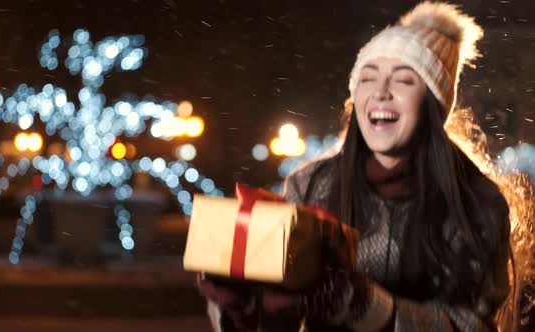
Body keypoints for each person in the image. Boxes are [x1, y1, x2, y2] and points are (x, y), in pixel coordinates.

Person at [197, 2, 513, 331]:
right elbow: (283, 315)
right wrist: (243, 308)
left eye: (403, 81)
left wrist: (361, 302)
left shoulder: (478, 203)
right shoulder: (309, 185)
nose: (380, 93)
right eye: (368, 78)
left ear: (436, 104)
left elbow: (472, 326)